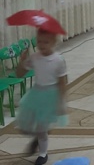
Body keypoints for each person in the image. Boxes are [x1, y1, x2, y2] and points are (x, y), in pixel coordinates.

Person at [16, 29, 68, 165]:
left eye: (46, 42)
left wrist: (61, 101)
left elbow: (62, 82)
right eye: (39, 41)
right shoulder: (34, 57)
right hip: (36, 93)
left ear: (54, 42)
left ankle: (43, 153)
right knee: (27, 124)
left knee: (42, 127)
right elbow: (19, 74)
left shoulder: (58, 60)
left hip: (51, 96)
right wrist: (22, 62)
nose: (42, 45)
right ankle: (37, 138)